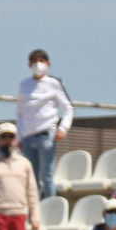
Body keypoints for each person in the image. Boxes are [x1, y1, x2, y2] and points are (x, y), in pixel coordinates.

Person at [17, 49, 74, 198]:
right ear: (29, 65)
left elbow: (68, 108)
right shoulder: (24, 85)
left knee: (47, 176)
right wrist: (19, 137)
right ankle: (35, 209)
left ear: (48, 64)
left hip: (46, 134)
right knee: (32, 178)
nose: (38, 64)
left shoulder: (53, 83)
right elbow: (20, 113)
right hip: (28, 138)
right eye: (35, 61)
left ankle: (51, 208)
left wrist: (63, 128)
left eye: (41, 61)